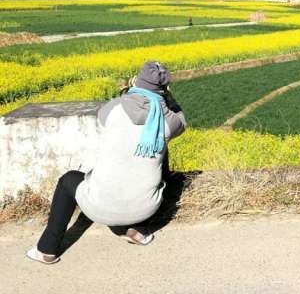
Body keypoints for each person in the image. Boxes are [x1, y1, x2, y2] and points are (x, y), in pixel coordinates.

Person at [26, 61, 186, 264]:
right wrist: (168, 98)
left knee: (68, 180)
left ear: (138, 81)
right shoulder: (169, 121)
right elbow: (182, 119)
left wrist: (130, 91)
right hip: (146, 208)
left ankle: (46, 249)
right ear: (165, 88)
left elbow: (104, 118)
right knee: (158, 156)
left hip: (99, 207)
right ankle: (137, 230)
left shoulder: (116, 108)